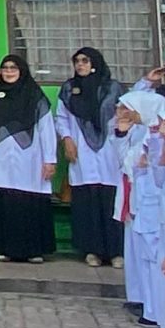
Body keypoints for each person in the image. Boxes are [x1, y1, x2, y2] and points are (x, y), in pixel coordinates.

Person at [0, 55, 56, 262]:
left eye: (13, 68)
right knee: (4, 202)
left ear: (22, 70)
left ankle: (34, 251)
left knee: (28, 202)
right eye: (5, 68)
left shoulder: (34, 95)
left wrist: (50, 160)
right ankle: (5, 248)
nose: (8, 72)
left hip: (30, 158)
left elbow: (47, 129)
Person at [57, 47, 124, 267]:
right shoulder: (69, 89)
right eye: (77, 61)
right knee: (86, 202)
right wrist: (67, 140)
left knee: (111, 200)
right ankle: (91, 251)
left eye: (85, 61)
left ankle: (116, 252)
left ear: (95, 63)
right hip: (81, 152)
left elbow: (127, 113)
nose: (80, 65)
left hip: (110, 151)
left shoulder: (113, 88)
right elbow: (62, 118)